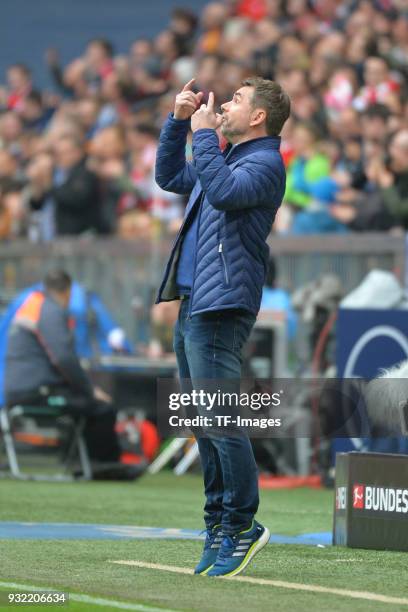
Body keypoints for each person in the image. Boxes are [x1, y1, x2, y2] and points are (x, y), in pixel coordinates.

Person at [155, 76, 290, 576]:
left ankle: (242, 524)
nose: (223, 104)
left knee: (221, 421)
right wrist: (177, 122)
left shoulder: (264, 163)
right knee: (204, 424)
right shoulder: (228, 157)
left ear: (258, 117)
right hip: (195, 302)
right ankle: (218, 524)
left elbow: (224, 192)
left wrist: (205, 134)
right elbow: (170, 177)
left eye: (235, 100)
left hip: (221, 306)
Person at [4, 270, 121, 465]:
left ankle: (76, 462)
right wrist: (90, 390)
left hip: (20, 390)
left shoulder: (32, 304)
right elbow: (64, 359)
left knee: (82, 403)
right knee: (102, 408)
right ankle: (102, 466)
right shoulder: (50, 310)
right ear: (68, 292)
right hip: (37, 392)